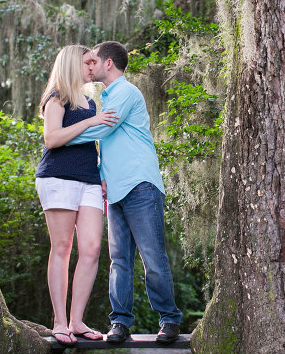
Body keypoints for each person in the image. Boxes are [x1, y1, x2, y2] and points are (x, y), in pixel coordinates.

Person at [66, 41, 183, 344]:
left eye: (93, 62)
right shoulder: (107, 97)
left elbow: (103, 130)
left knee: (152, 257)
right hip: (115, 190)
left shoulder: (127, 92)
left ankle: (169, 319)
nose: (89, 67)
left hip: (140, 185)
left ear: (108, 63)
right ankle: (120, 323)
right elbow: (108, 146)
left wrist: (61, 136)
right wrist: (102, 176)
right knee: (119, 261)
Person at [34, 44, 119, 346]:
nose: (93, 67)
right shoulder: (56, 96)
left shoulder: (90, 101)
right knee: (62, 248)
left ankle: (76, 320)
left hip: (89, 180)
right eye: (88, 62)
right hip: (58, 177)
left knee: (93, 249)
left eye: (95, 62)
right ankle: (59, 323)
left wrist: (103, 174)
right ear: (73, 64)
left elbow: (92, 143)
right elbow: (52, 138)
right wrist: (89, 122)